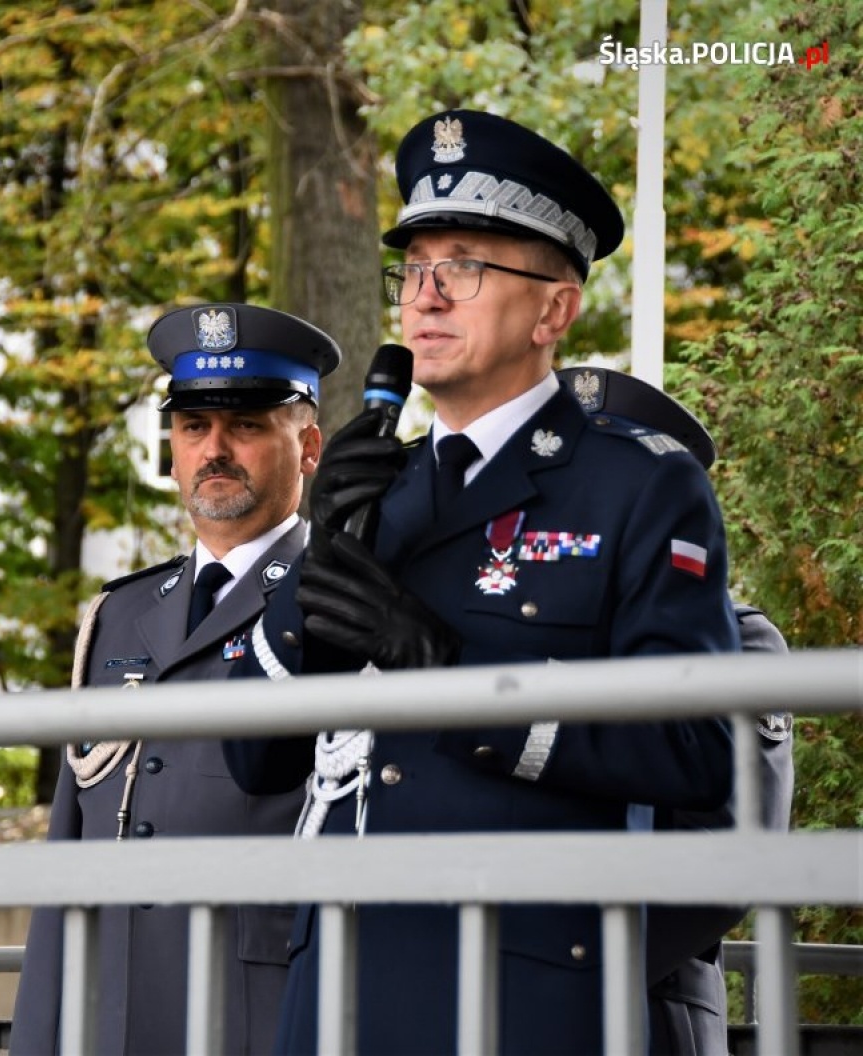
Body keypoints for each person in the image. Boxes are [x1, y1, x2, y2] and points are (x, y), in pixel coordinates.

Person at [224, 110, 740, 1054]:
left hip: (513, 994)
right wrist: (317, 572)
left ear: (553, 310)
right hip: (335, 987)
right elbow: (252, 758)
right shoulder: (380, 485)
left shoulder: (639, 484)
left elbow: (693, 750)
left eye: (460, 268)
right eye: (413, 271)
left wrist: (450, 677)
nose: (424, 299)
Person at [9, 303, 342, 1055]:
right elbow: (73, 841)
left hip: (261, 1008)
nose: (214, 449)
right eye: (194, 428)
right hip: (112, 1009)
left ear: (309, 446)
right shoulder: (120, 616)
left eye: (247, 426)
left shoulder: (339, 598)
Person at [556, 367, 796, 1056]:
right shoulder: (511, 636)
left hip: (645, 1010)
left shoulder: (740, 643)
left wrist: (548, 966)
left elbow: (726, 863)